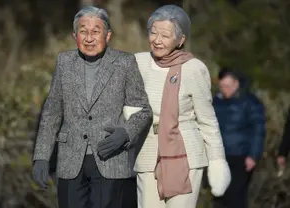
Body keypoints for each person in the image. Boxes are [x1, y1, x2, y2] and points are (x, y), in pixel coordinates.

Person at [32, 6, 153, 208]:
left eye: (96, 31)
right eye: (83, 31)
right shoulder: (64, 62)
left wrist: (125, 133)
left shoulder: (124, 63)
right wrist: (42, 157)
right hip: (70, 160)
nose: (89, 38)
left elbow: (143, 110)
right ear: (74, 35)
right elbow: (51, 113)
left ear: (107, 36)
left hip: (110, 159)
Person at [132, 5, 231, 208]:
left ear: (181, 40)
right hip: (147, 153)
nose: (157, 40)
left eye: (165, 35)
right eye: (153, 33)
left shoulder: (194, 69)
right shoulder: (137, 63)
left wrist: (217, 160)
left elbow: (207, 121)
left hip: (186, 157)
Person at [212, 68, 266, 208]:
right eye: (222, 86)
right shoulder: (215, 101)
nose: (225, 90)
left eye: (228, 86)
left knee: (236, 197)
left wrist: (253, 156)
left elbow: (258, 130)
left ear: (236, 84)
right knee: (219, 196)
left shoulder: (250, 102)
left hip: (241, 157)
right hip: (219, 157)